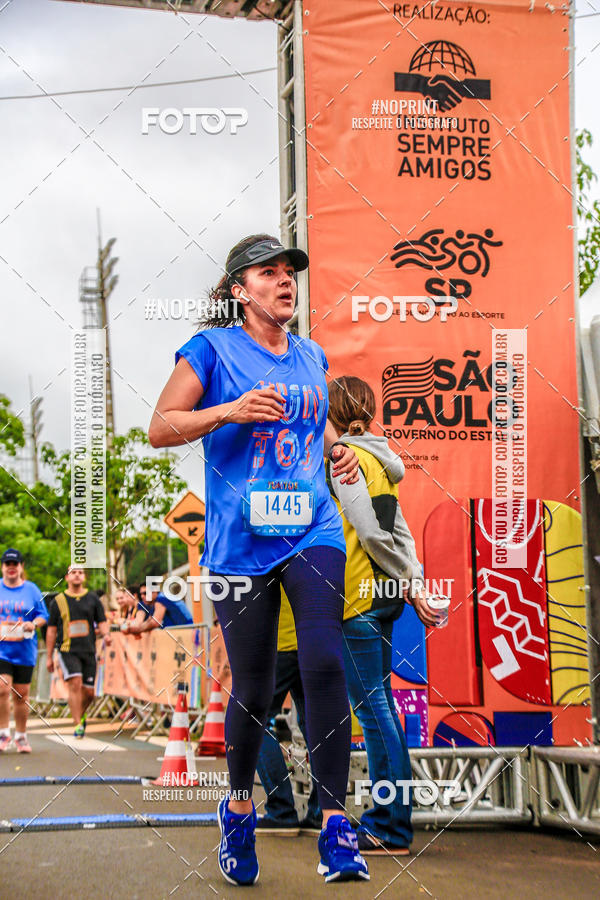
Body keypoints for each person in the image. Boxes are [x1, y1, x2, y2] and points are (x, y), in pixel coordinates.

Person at [148, 233, 369, 885]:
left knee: (324, 660)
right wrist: (231, 410)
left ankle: (335, 827)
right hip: (241, 541)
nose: (285, 281)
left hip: (311, 529)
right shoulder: (213, 350)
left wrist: (336, 449)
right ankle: (239, 810)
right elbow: (161, 425)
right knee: (252, 686)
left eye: (291, 272)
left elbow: (316, 418)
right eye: (269, 273)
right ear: (241, 291)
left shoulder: (310, 355)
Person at [326, 376, 437, 856]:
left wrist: (413, 583)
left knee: (374, 714)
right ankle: (391, 820)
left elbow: (371, 535)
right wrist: (413, 582)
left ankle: (390, 826)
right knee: (382, 709)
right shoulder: (379, 459)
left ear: (328, 415)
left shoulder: (344, 459)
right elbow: (401, 533)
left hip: (359, 598)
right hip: (382, 596)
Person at [255, 590, 321, 835]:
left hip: (279, 641)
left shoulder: (265, 551)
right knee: (315, 724)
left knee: (254, 722)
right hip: (314, 639)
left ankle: (282, 810)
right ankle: (320, 813)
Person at [46, 566, 112, 738]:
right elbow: (51, 630)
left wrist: (106, 635)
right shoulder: (58, 601)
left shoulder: (92, 599)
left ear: (84, 577)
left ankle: (80, 713)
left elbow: (102, 621)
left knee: (89, 692)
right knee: (75, 683)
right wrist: (49, 657)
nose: (77, 575)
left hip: (89, 650)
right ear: (67, 577)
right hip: (67, 649)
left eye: (80, 572)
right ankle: (77, 725)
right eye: (73, 572)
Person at [0, 548, 48, 753]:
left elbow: (43, 615)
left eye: (15, 564)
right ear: (3, 567)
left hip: (25, 649)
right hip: (2, 649)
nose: (11, 568)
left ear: (21, 567)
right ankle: (3, 733)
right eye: (8, 564)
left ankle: (21, 736)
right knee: (2, 689)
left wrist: (33, 624)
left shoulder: (32, 590)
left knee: (21, 695)